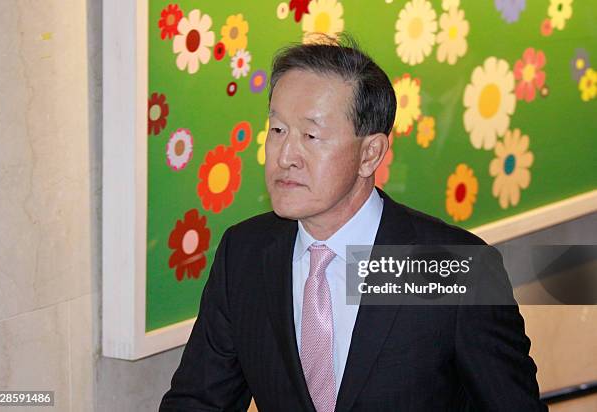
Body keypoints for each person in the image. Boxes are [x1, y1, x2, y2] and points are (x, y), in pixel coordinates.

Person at [160, 34, 547, 411]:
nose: (286, 155)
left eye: (311, 135)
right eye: (277, 130)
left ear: (370, 154)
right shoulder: (244, 253)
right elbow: (199, 401)